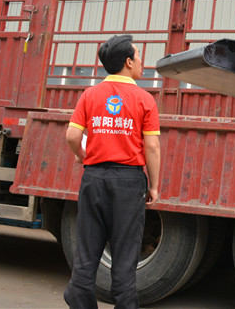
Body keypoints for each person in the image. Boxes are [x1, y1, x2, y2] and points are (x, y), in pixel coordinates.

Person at [63, 35, 161, 309]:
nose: (142, 61)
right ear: (128, 62)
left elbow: (72, 136)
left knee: (87, 250)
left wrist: (84, 156)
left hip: (93, 179)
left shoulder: (90, 95)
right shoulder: (144, 100)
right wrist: (153, 186)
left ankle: (79, 298)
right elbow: (152, 147)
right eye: (139, 56)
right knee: (125, 254)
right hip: (128, 182)